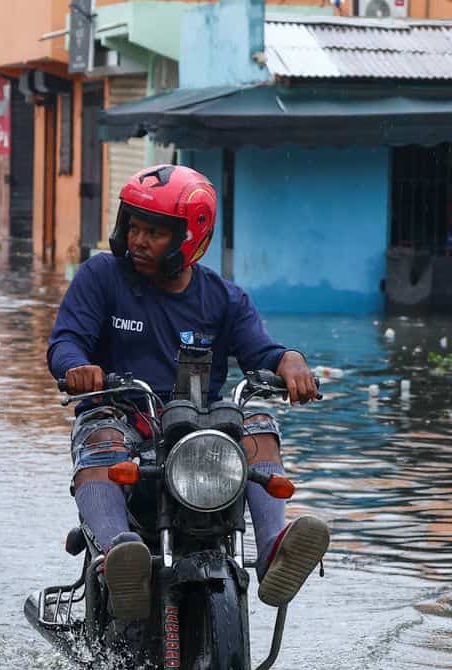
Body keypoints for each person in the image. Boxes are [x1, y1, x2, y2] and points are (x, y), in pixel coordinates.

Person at [46, 164, 330, 620]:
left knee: (258, 423)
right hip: (120, 417)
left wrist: (289, 362)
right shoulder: (102, 276)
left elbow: (262, 350)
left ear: (187, 239)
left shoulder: (224, 298)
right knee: (100, 437)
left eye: (154, 232)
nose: (138, 240)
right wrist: (77, 366)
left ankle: (274, 550)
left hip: (196, 429)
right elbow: (66, 340)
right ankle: (120, 557)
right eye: (133, 227)